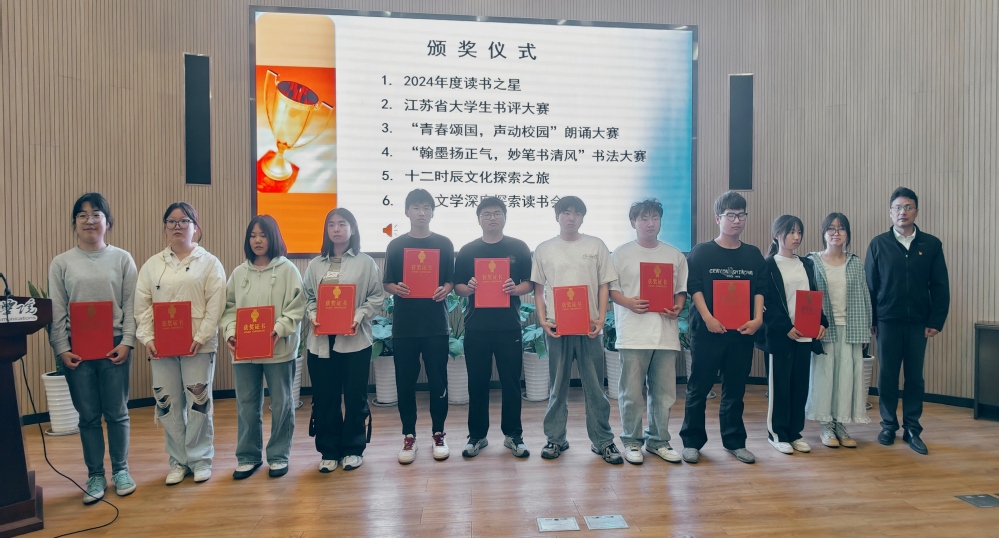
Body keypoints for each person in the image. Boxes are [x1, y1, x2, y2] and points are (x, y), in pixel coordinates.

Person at [47, 193, 137, 504]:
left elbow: (131, 305)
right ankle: (95, 475)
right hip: (78, 351)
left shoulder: (122, 259)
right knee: (87, 416)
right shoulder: (61, 263)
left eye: (96, 214)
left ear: (107, 222)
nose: (89, 220)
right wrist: (62, 348)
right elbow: (57, 310)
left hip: (115, 347)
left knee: (117, 413)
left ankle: (121, 471)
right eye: (82, 215)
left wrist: (127, 342)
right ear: (74, 223)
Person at [135, 202, 226, 484]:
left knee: (198, 402)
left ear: (195, 228)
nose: (178, 226)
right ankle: (178, 461)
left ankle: (199, 459)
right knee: (167, 403)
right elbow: (142, 305)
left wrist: (201, 336)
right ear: (165, 229)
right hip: (161, 348)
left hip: (198, 346)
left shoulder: (209, 263)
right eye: (172, 221)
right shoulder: (152, 265)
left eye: (184, 221)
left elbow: (216, 304)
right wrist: (148, 338)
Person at [531, 195, 622, 464]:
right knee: (557, 387)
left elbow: (604, 285)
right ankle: (555, 439)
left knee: (595, 387)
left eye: (576, 213)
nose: (571, 217)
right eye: (566, 212)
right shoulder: (544, 249)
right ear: (557, 216)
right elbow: (538, 290)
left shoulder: (596, 245)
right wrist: (543, 319)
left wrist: (601, 318)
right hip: (557, 328)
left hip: (589, 328)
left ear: (583, 217)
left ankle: (603, 440)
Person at [679, 191, 766, 465]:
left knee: (735, 390)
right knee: (698, 388)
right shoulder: (702, 252)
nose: (737, 220)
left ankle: (735, 442)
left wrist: (757, 319)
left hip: (742, 333)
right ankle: (692, 442)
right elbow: (694, 287)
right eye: (731, 215)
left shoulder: (752, 254)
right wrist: (708, 317)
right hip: (708, 332)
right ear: (718, 218)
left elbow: (759, 289)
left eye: (741, 215)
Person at [865, 187, 949, 455]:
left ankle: (912, 427)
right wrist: (872, 319)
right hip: (887, 321)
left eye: (908, 207)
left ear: (916, 211)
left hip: (918, 323)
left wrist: (936, 320)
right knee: (888, 375)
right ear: (890, 212)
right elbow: (870, 286)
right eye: (898, 208)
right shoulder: (878, 244)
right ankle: (888, 425)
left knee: (914, 377)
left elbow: (940, 285)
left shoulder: (931, 244)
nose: (903, 212)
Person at [220, 215, 305, 479]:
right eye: (253, 235)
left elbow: (296, 307)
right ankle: (248, 456)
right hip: (244, 352)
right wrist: (231, 333)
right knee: (246, 404)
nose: (257, 240)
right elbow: (228, 309)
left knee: (281, 404)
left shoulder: (288, 270)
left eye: (263, 235)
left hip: (279, 350)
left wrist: (279, 328)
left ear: (273, 238)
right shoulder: (239, 273)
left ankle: (278, 456)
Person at [303, 208, 385, 472]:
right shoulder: (316, 264)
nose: (336, 229)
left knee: (354, 395)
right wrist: (313, 315)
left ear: (353, 228)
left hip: (355, 341)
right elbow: (307, 297)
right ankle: (329, 450)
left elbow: (377, 296)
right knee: (325, 397)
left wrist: (359, 315)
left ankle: (353, 449)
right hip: (320, 342)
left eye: (342, 224)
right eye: (331, 224)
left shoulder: (366, 263)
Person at [609, 199, 688, 465]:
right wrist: (628, 302)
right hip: (633, 334)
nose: (650, 223)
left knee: (664, 394)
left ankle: (658, 441)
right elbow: (611, 290)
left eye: (655, 217)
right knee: (631, 393)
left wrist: (678, 306)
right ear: (633, 222)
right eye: (644, 218)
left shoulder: (674, 255)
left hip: (665, 334)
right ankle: (631, 441)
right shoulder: (621, 254)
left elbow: (680, 290)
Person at [454, 197, 533, 458]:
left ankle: (514, 435)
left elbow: (529, 283)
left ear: (505, 217)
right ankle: (477, 436)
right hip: (476, 326)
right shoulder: (467, 250)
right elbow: (458, 287)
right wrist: (469, 288)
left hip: (509, 326)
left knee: (511, 383)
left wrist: (514, 288)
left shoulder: (518, 247)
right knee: (477, 382)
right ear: (479, 219)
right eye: (486, 214)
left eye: (497, 213)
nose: (492, 218)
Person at [383, 189, 455, 463]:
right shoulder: (396, 245)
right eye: (416, 207)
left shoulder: (444, 244)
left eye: (426, 208)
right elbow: (387, 282)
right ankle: (409, 435)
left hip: (436, 325)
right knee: (405, 381)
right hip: (405, 326)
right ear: (407, 212)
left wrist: (445, 289)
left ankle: (439, 433)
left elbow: (450, 279)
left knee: (439, 380)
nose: (421, 212)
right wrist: (397, 288)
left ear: (433, 212)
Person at [756, 215, 827, 455]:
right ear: (777, 235)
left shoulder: (806, 264)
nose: (796, 237)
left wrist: (821, 322)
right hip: (780, 337)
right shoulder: (767, 265)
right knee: (780, 387)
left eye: (799, 232)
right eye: (791, 232)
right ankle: (777, 434)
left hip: (805, 335)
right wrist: (784, 326)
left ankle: (795, 433)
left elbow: (813, 295)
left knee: (800, 386)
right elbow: (765, 303)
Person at [805, 213, 872, 448]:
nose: (836, 233)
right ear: (824, 233)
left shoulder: (855, 262)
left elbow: (864, 295)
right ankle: (826, 425)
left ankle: (841, 423)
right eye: (831, 229)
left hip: (851, 327)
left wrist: (866, 328)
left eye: (841, 229)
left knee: (846, 377)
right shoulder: (812, 261)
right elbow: (806, 295)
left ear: (847, 234)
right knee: (825, 377)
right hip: (824, 329)